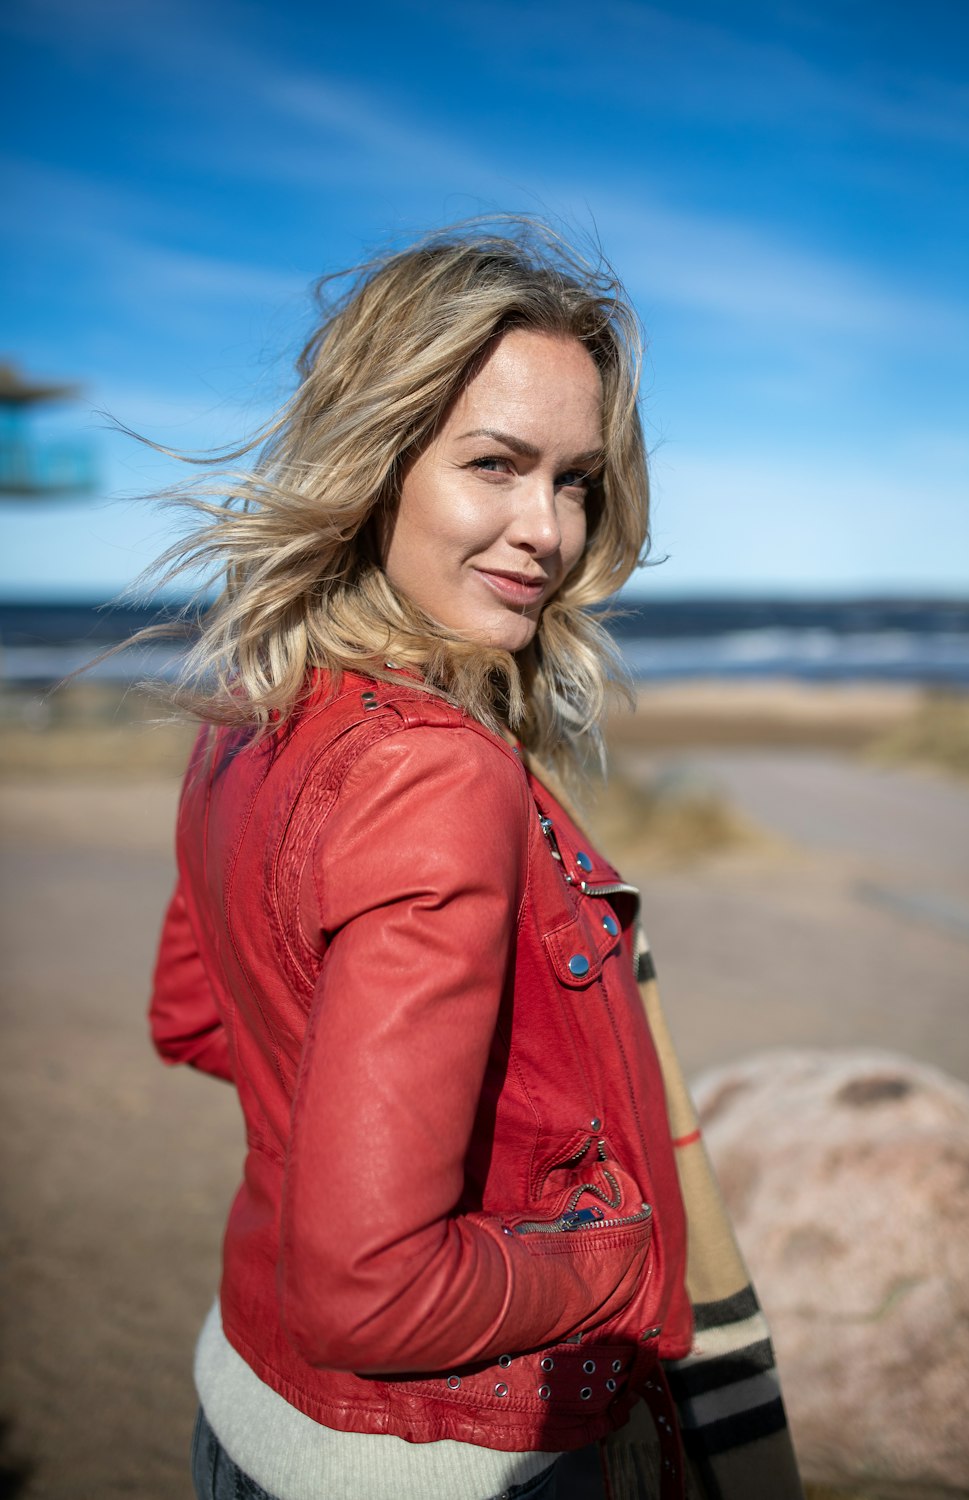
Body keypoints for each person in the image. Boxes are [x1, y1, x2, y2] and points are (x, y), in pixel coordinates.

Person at [148, 221, 804, 1500]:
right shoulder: (438, 773)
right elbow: (369, 1290)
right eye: (495, 465)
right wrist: (627, 1256)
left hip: (246, 1404)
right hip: (446, 1463)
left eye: (572, 480)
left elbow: (196, 1014)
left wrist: (405, 1108)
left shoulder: (247, 717)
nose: (546, 531)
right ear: (374, 464)